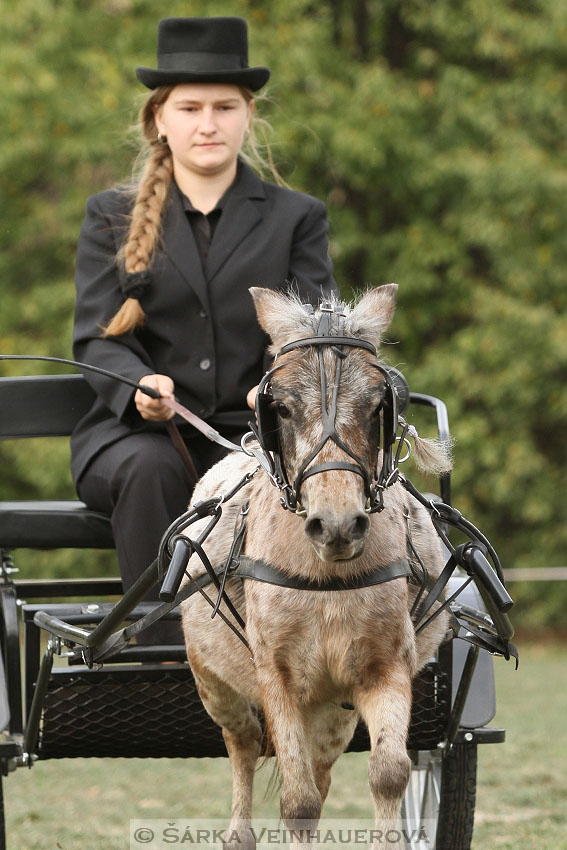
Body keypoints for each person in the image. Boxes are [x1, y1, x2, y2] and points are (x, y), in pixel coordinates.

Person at [70, 16, 337, 643]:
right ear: (160, 118)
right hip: (135, 438)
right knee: (150, 468)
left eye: (224, 106)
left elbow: (311, 331)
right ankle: (166, 655)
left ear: (249, 115)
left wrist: (275, 390)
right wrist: (138, 386)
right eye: (189, 107)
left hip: (261, 439)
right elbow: (95, 335)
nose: (207, 122)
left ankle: (294, 649)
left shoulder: (297, 217)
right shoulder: (109, 215)